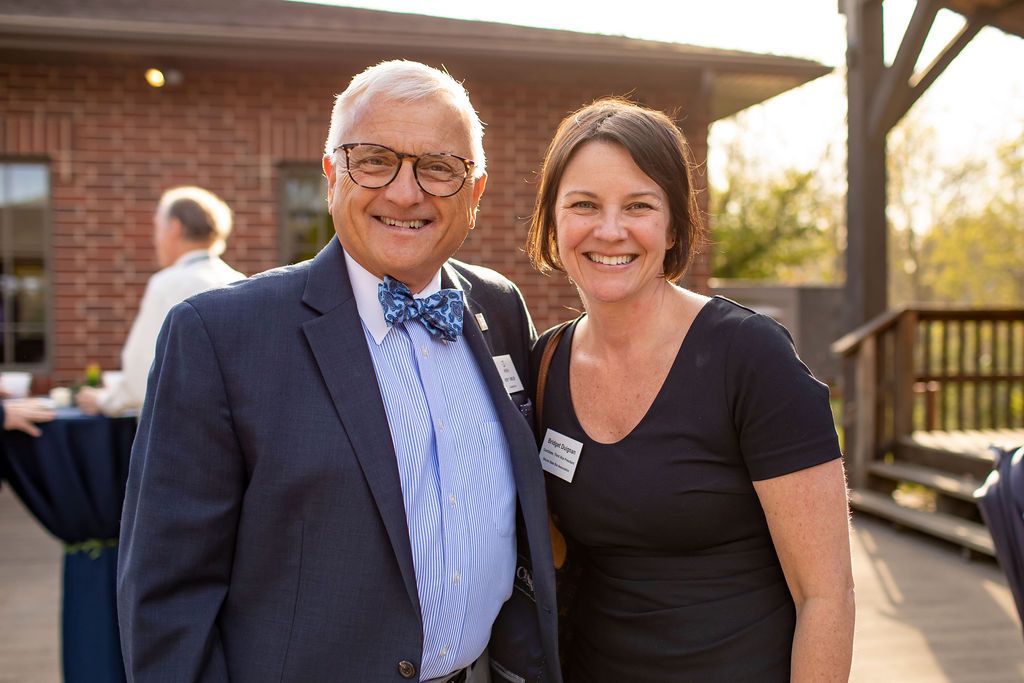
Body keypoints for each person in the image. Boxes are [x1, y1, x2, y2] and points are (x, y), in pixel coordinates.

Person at [118, 60, 560, 683]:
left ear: (475, 192)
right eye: (374, 160)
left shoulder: (498, 308)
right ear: (331, 175)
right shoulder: (219, 337)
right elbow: (167, 599)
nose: (404, 194)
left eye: (438, 167)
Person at [527, 98, 855, 682]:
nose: (610, 229)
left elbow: (826, 596)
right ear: (553, 222)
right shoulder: (546, 364)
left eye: (638, 205)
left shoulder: (749, 357)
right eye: (584, 204)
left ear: (674, 224)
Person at [76, 186, 245, 416]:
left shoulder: (167, 284)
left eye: (157, 228)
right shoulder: (241, 281)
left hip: (179, 424)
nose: (155, 240)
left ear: (174, 227)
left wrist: (106, 401)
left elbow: (141, 369)